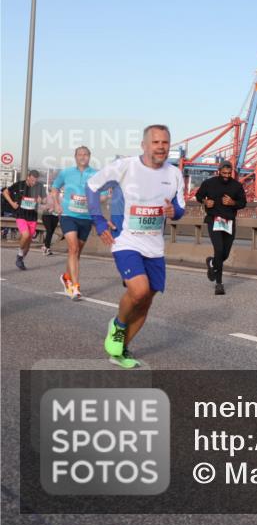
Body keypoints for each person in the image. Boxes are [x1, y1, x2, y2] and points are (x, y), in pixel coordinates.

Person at [87, 125, 185, 368]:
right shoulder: (126, 166)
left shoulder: (174, 174)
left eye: (165, 142)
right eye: (156, 142)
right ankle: (119, 325)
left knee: (146, 301)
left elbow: (179, 208)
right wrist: (99, 221)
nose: (161, 147)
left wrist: (175, 212)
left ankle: (120, 351)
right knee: (139, 291)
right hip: (126, 240)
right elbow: (91, 186)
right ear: (144, 145)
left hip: (154, 246)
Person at [52, 146, 98, 300]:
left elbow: (104, 195)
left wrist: (95, 200)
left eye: (85, 154)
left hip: (86, 218)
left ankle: (66, 277)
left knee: (76, 252)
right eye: (80, 154)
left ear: (89, 156)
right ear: (75, 157)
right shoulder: (66, 172)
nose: (82, 157)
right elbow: (54, 188)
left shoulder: (96, 174)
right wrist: (57, 204)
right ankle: (75, 287)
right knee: (73, 248)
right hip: (68, 215)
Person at [195, 161, 246, 295]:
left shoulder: (237, 186)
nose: (226, 176)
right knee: (219, 250)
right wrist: (205, 202)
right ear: (219, 171)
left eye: (229, 174)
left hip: (229, 222)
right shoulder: (209, 183)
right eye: (224, 173)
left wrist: (232, 202)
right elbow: (198, 196)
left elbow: (243, 203)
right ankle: (219, 284)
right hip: (214, 220)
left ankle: (212, 263)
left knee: (225, 254)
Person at [3, 170, 44, 271]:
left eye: (36, 181)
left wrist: (41, 200)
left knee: (28, 243)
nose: (34, 183)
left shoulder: (39, 187)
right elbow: (5, 192)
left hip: (33, 217)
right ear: (28, 177)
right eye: (32, 180)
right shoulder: (19, 184)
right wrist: (12, 203)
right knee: (25, 235)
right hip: (21, 215)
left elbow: (45, 200)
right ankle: (19, 255)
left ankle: (21, 258)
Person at [40, 187, 60, 256]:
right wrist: (48, 208)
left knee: (51, 232)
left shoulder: (59, 198)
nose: (57, 191)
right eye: (56, 190)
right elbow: (41, 206)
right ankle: (45, 247)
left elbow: (61, 207)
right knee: (49, 230)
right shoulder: (47, 197)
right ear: (51, 190)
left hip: (55, 216)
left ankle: (46, 247)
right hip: (46, 216)